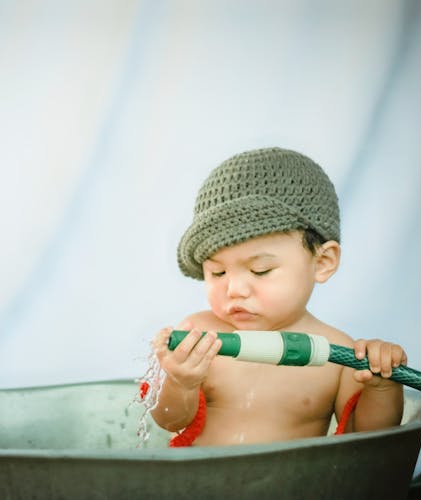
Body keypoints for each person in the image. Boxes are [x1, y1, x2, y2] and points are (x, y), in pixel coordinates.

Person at [150, 147, 407, 447]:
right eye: (217, 273)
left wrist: (381, 387)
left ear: (323, 262)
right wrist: (181, 381)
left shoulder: (337, 353)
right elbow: (169, 420)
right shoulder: (200, 336)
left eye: (261, 270)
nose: (234, 289)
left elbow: (365, 442)